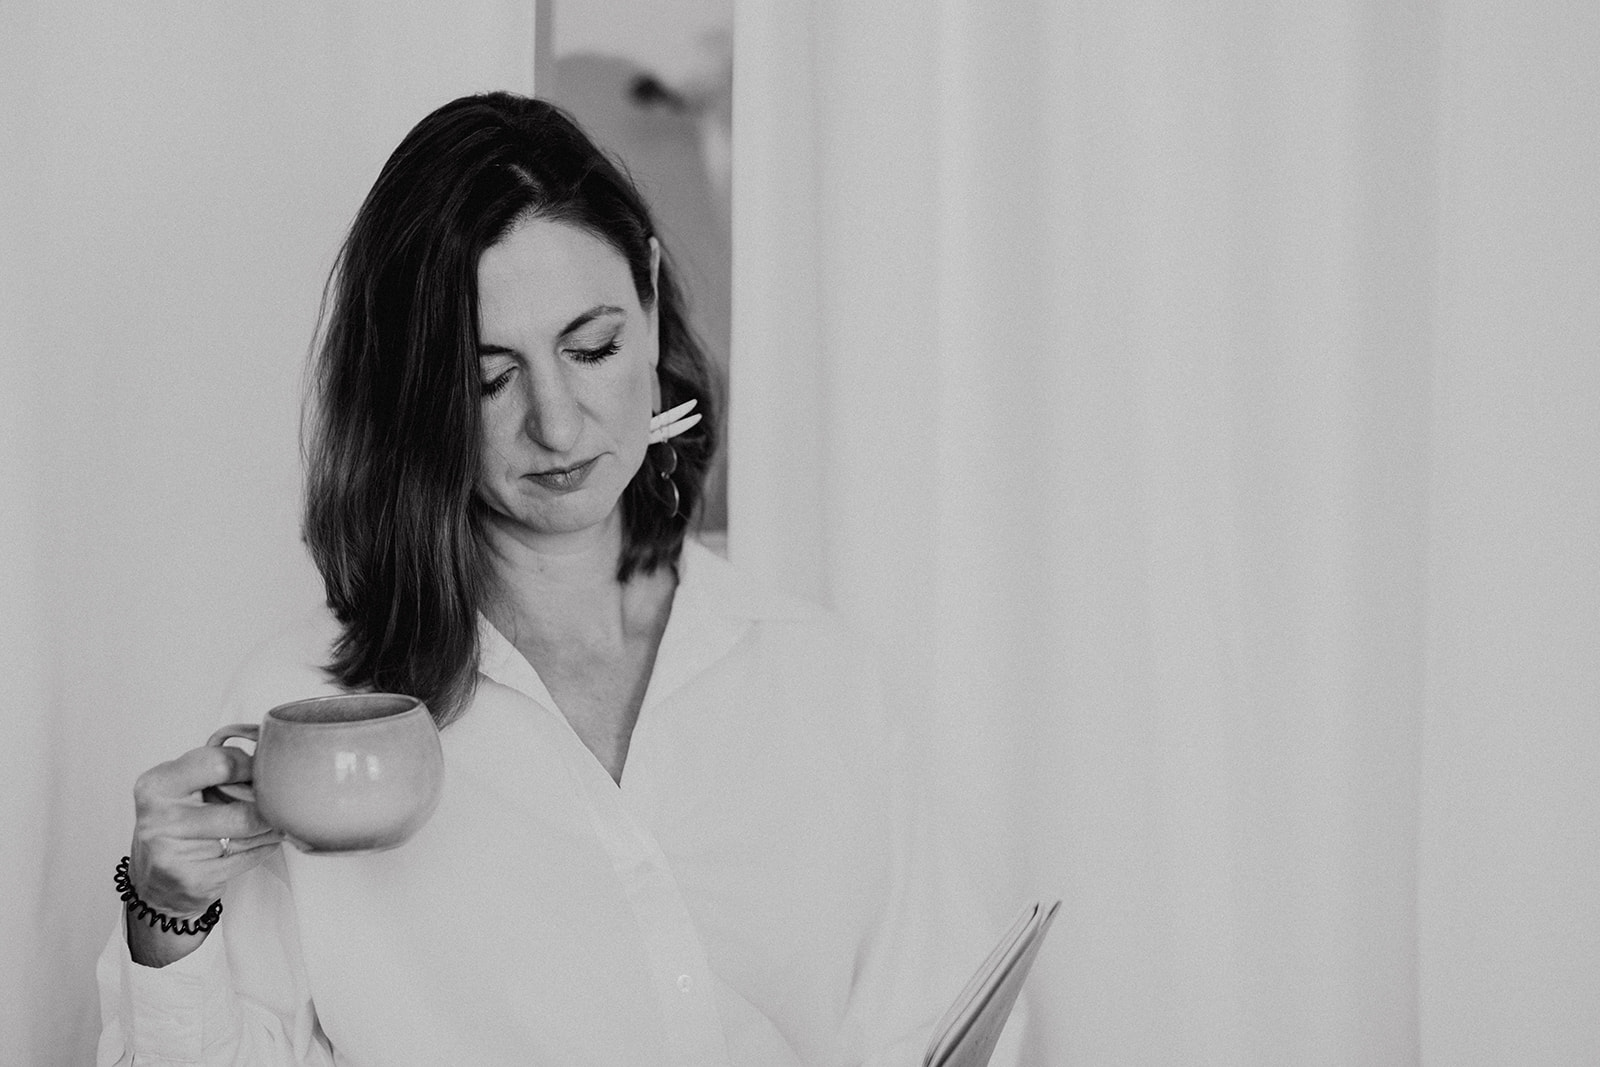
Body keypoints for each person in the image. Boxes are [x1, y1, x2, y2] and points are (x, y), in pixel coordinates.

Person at [96, 92, 1021, 1066]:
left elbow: (944, 1024)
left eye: (592, 347)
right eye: (489, 377)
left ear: (650, 298)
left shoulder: (817, 676)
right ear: (417, 392)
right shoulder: (307, 718)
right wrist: (167, 909)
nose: (559, 422)